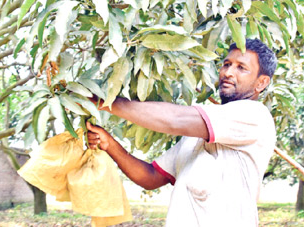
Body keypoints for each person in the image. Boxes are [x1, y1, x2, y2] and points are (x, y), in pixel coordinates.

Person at [86, 39, 277, 226]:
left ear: (261, 83)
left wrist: (104, 101)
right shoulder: (197, 134)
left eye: (241, 68)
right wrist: (109, 145)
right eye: (227, 64)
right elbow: (151, 177)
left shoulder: (254, 115)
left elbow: (174, 120)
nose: (228, 72)